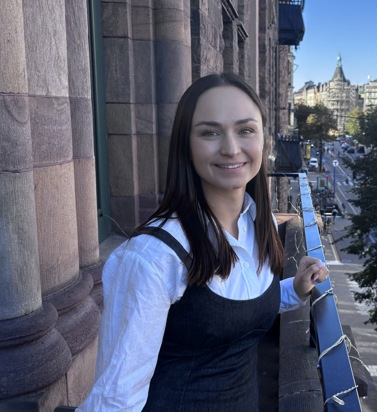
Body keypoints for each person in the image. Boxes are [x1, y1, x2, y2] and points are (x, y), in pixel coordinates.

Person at [78, 73, 329, 411]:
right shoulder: (152, 256)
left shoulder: (260, 225)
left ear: (263, 141)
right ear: (187, 145)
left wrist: (294, 290)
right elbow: (115, 398)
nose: (231, 148)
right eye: (210, 132)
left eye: (245, 130)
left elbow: (242, 310)